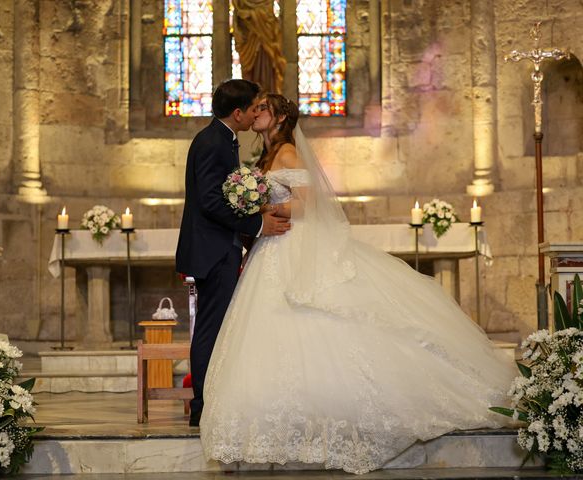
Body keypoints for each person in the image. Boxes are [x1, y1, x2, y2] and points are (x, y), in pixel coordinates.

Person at [199, 93, 517, 474]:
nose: (257, 113)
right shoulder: (267, 156)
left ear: (281, 117)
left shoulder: (287, 152)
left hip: (288, 244)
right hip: (272, 246)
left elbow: (306, 204)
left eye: (264, 108)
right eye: (256, 107)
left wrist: (264, 208)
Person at [176, 81, 291, 428]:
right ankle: (202, 406)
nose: (257, 112)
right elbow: (212, 201)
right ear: (238, 113)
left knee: (217, 327)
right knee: (210, 329)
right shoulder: (213, 142)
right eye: (254, 107)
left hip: (219, 247)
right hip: (213, 250)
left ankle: (210, 401)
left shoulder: (222, 139)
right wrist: (256, 225)